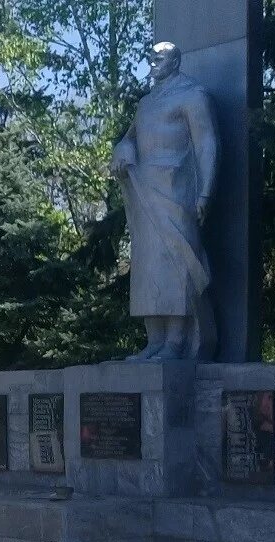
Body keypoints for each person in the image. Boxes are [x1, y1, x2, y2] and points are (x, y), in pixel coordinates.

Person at [110, 41, 219, 361]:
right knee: (147, 266)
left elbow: (207, 143)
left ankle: (175, 342)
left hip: (177, 191)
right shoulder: (146, 102)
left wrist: (206, 192)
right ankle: (154, 341)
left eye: (159, 59)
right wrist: (123, 146)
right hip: (144, 189)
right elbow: (129, 137)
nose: (152, 64)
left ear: (175, 61)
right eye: (150, 59)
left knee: (176, 263)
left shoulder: (193, 95)